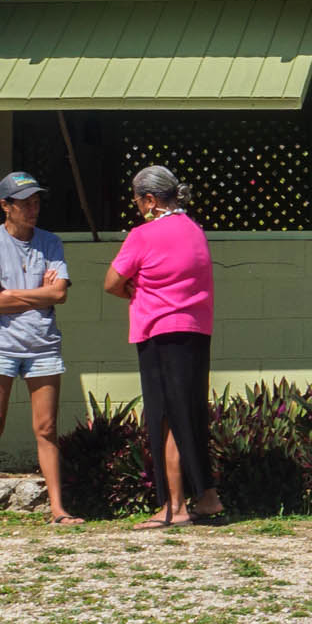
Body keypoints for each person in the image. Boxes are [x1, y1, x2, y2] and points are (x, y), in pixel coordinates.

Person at [104, 164, 222, 526]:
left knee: (165, 419)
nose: (137, 207)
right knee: (190, 413)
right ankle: (206, 497)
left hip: (159, 332)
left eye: (139, 200)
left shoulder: (143, 235)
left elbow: (111, 281)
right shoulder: (195, 231)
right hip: (195, 332)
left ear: (151, 200)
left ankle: (174, 507)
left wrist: (132, 289)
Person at [0, 170, 78, 529]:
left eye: (37, 201)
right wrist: (35, 296)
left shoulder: (51, 243)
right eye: (25, 202)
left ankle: (58, 510)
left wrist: (12, 293)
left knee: (46, 428)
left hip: (43, 345)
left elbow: (59, 294)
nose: (33, 208)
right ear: (5, 206)